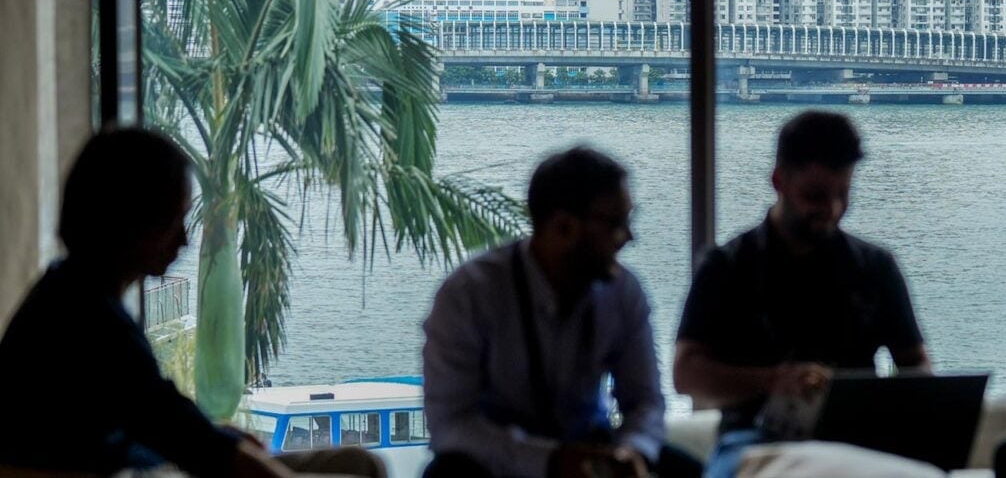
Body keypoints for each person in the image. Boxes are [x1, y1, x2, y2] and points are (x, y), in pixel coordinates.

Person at [0, 128, 383, 478]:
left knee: (357, 464)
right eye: (173, 221)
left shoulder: (70, 293)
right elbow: (185, 438)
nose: (184, 241)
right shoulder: (91, 320)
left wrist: (216, 437)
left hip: (142, 465)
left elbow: (157, 419)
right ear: (131, 221)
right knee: (359, 469)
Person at [674, 111, 930, 478]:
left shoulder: (877, 267)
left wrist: (879, 404)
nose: (833, 210)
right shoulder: (725, 266)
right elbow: (685, 376)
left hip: (856, 439)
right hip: (755, 438)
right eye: (816, 196)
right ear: (778, 181)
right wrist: (775, 381)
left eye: (844, 194)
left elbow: (917, 367)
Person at [422, 147, 697, 478]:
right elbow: (451, 424)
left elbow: (645, 402)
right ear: (563, 226)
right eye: (615, 223)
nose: (629, 237)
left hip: (592, 450)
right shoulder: (470, 294)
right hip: (499, 462)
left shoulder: (623, 291)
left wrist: (631, 451)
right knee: (447, 473)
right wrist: (550, 461)